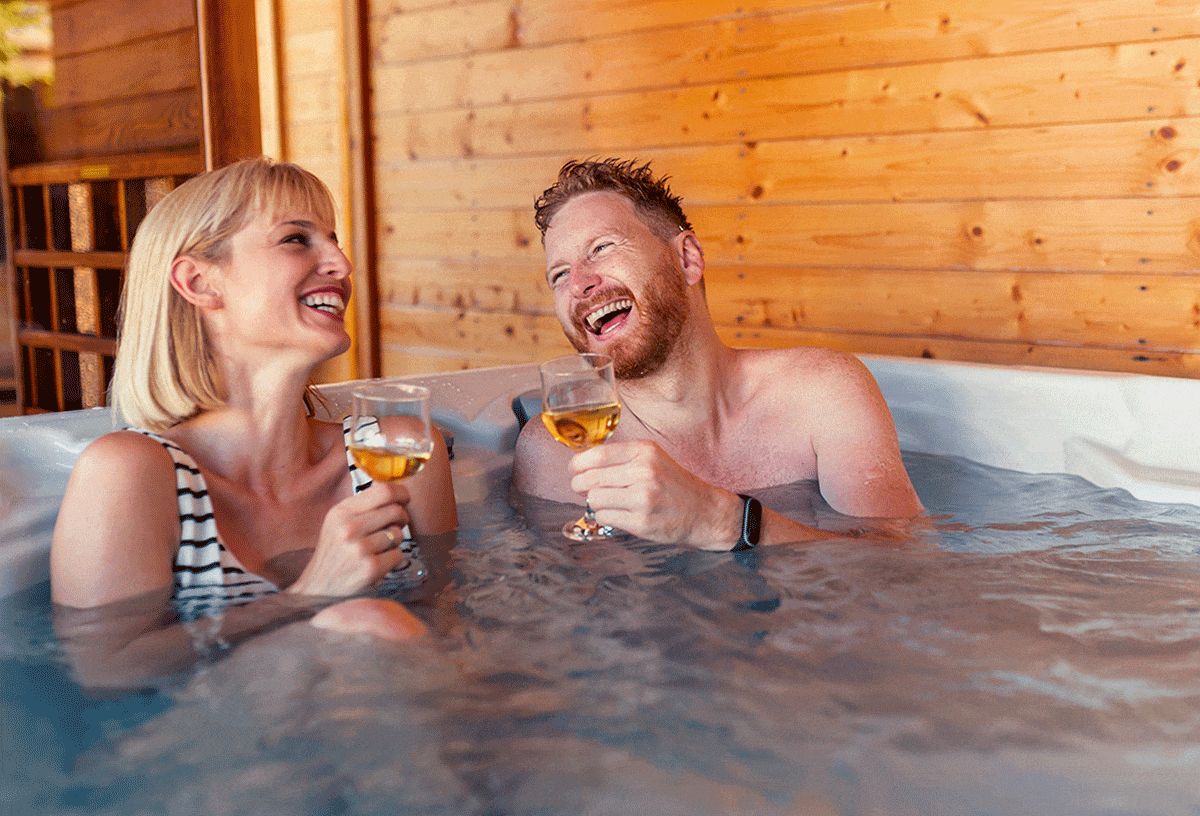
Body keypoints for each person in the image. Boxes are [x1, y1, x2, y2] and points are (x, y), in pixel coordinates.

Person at [51, 157, 456, 687]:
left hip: (404, 727)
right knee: (360, 620)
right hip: (221, 752)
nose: (340, 262)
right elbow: (105, 674)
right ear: (200, 282)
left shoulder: (398, 452)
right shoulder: (132, 471)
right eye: (296, 239)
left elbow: (458, 619)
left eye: (332, 240)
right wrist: (311, 595)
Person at [514, 158, 922, 551]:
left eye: (601, 248)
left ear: (687, 258)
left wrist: (721, 521)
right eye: (559, 275)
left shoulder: (822, 391)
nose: (579, 285)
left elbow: (898, 565)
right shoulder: (555, 451)